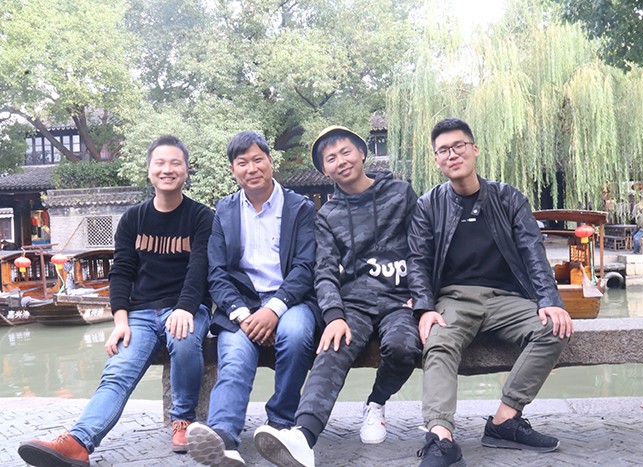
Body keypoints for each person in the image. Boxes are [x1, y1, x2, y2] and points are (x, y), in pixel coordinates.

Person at [18, 135, 214, 466]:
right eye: (160, 163)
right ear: (149, 169)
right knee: (118, 371)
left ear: (186, 170)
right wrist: (120, 320)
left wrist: (185, 308)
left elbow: (199, 270)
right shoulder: (133, 219)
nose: (167, 169)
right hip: (140, 312)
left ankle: (183, 419)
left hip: (186, 306)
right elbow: (121, 272)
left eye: (175, 163)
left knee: (183, 340)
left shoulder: (201, 217)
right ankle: (79, 441)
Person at [407, 118, 573, 466]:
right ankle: (441, 437)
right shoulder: (428, 204)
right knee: (438, 341)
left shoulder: (508, 197)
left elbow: (532, 251)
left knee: (554, 328)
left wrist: (550, 301)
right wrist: (424, 308)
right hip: (454, 298)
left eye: (459, 146)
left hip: (506, 299)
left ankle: (504, 421)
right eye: (443, 150)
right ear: (436, 160)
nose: (452, 155)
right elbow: (418, 261)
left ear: (474, 150)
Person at [254, 126, 422, 467]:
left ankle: (376, 403)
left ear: (362, 153)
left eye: (346, 152)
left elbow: (422, 248)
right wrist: (334, 315)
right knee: (331, 349)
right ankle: (303, 436)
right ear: (324, 170)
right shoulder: (328, 215)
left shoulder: (400, 194)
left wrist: (422, 298)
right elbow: (325, 270)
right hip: (354, 303)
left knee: (404, 347)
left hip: (399, 299)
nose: (340, 161)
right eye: (330, 158)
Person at [186, 131, 319, 467]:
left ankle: (280, 425)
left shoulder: (299, 208)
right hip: (241, 305)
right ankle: (223, 438)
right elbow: (217, 272)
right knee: (234, 358)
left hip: (291, 300)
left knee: (296, 335)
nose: (251, 168)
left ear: (271, 161)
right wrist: (243, 314)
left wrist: (274, 310)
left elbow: (305, 266)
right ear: (233, 170)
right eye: (242, 163)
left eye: (258, 159)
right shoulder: (225, 211)